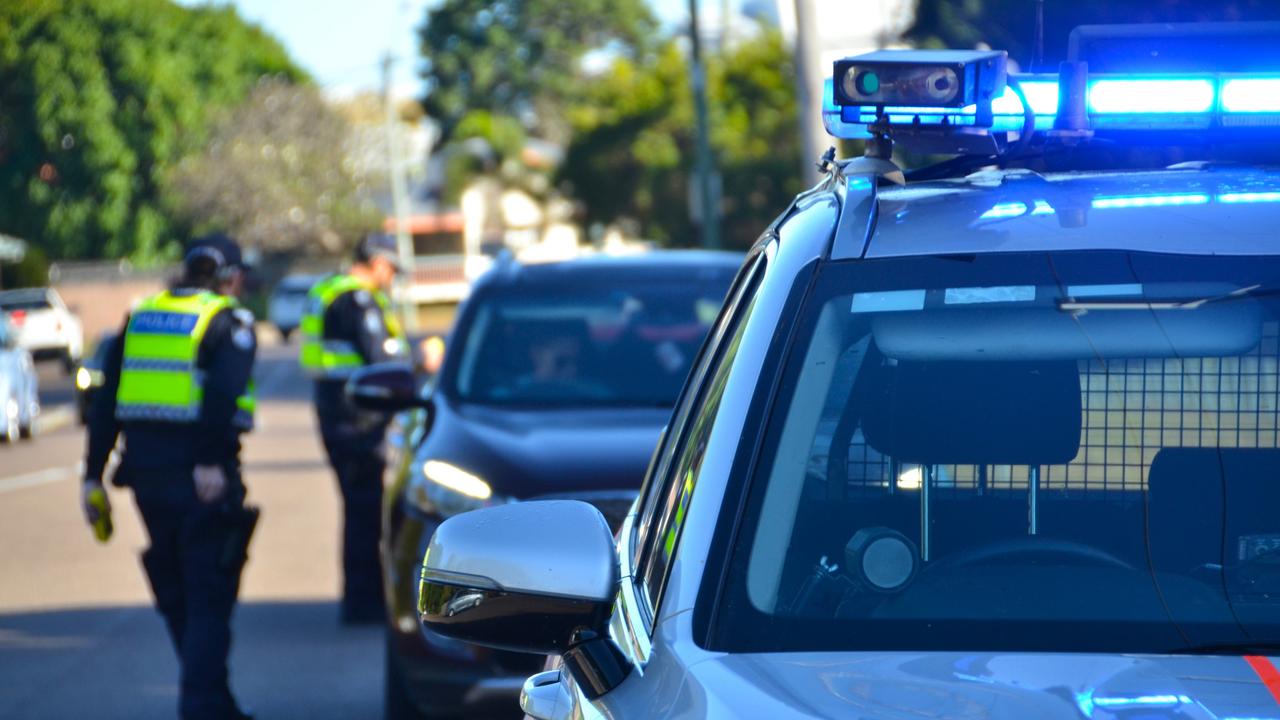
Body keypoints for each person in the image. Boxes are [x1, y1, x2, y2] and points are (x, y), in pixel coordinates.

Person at [82, 233, 258, 720]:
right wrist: (206, 461)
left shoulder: (139, 318)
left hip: (146, 481)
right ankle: (203, 708)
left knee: (181, 593)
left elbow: (105, 403)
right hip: (201, 479)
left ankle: (217, 705)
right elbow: (222, 395)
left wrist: (91, 475)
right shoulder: (228, 321)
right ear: (230, 278)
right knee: (209, 597)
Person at [299, 234, 407, 624]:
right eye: (392, 269)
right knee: (363, 512)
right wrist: (422, 363)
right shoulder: (356, 299)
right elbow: (380, 359)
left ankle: (360, 598)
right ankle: (363, 604)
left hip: (335, 413)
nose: (392, 277)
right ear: (378, 262)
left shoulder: (328, 289)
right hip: (357, 421)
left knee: (357, 509)